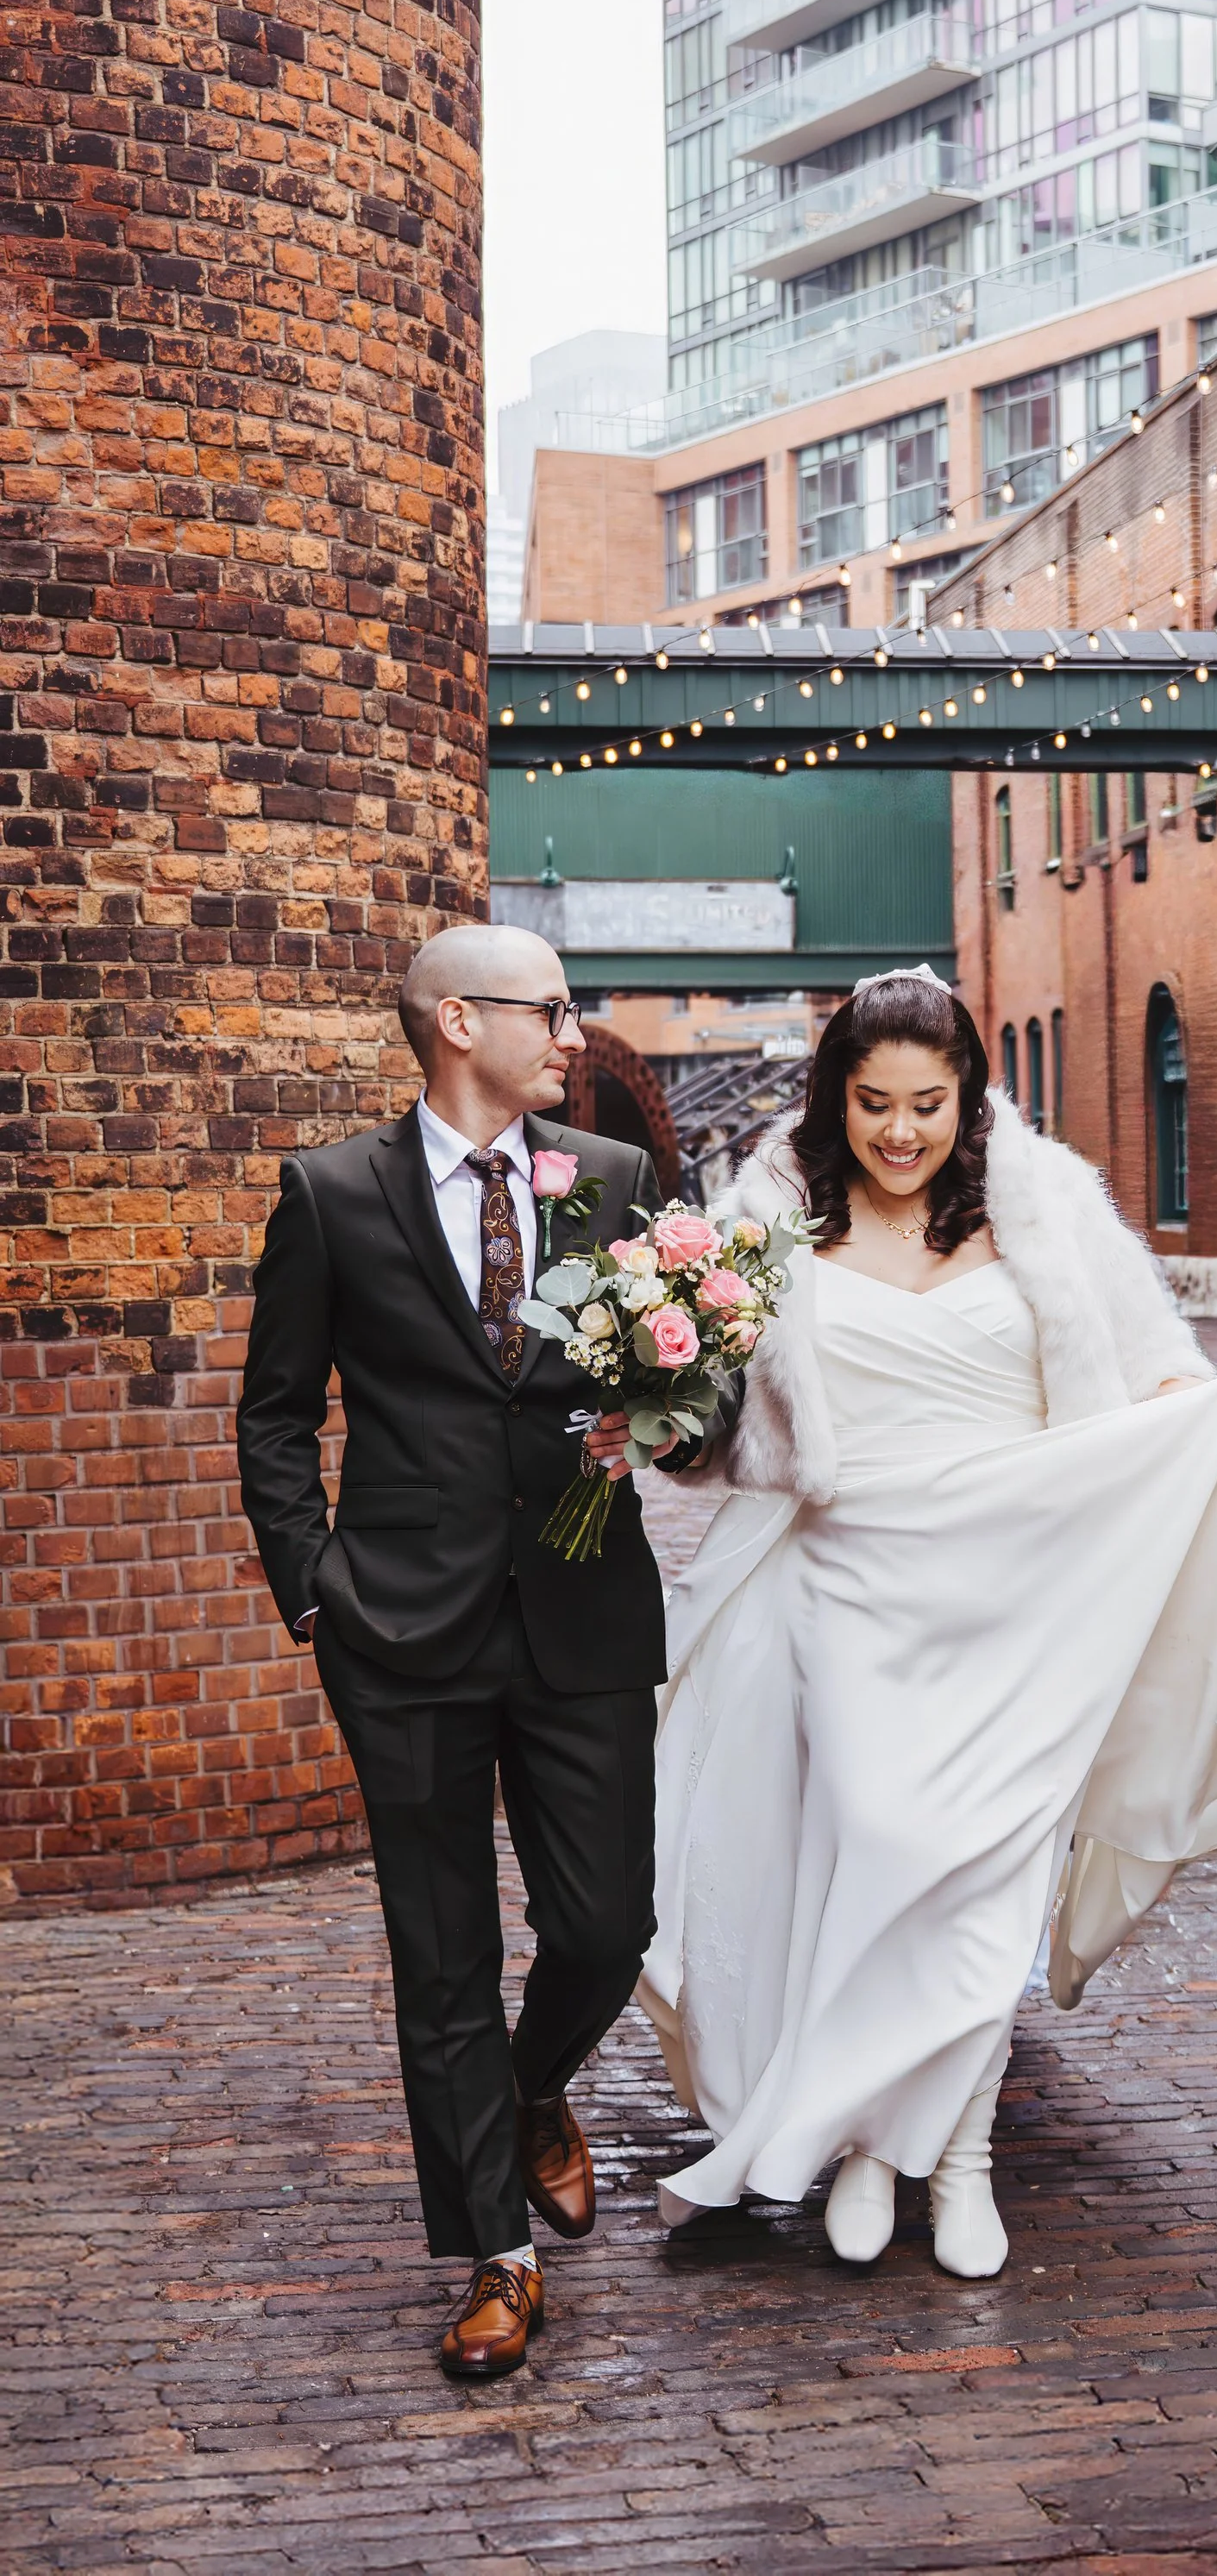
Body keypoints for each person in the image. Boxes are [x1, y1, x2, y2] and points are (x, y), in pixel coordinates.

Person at [614, 966, 1217, 2279]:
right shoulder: (764, 1215)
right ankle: (866, 2145)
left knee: (994, 1860)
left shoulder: (1044, 1202)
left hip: (1027, 1576)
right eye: (876, 1103)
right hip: (853, 1572)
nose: (903, 1133)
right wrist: (658, 1407)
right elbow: (722, 1437)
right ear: (838, 1097)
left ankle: (954, 2159)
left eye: (930, 1104)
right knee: (880, 1842)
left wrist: (1210, 1415)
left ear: (970, 1098)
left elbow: (1145, 1356)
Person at [236, 926, 673, 2379]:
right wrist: (316, 1589)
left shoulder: (609, 1185)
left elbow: (684, 1381)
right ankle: (498, 2252)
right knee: (442, 1954)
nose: (572, 1033)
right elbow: (276, 1413)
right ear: (457, 1022)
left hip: (583, 1611)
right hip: (400, 1630)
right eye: (551, 1009)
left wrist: (655, 1425)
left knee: (608, 1924)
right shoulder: (333, 1194)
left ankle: (535, 2081)